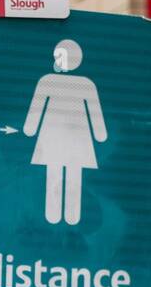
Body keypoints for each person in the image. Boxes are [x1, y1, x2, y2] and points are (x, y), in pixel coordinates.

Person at [22, 39, 107, 226]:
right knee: (64, 175)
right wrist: (100, 134)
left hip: (59, 138)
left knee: (60, 174)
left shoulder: (51, 81)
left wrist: (30, 129)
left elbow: (36, 109)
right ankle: (66, 217)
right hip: (72, 139)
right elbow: (95, 113)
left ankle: (63, 217)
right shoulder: (82, 83)